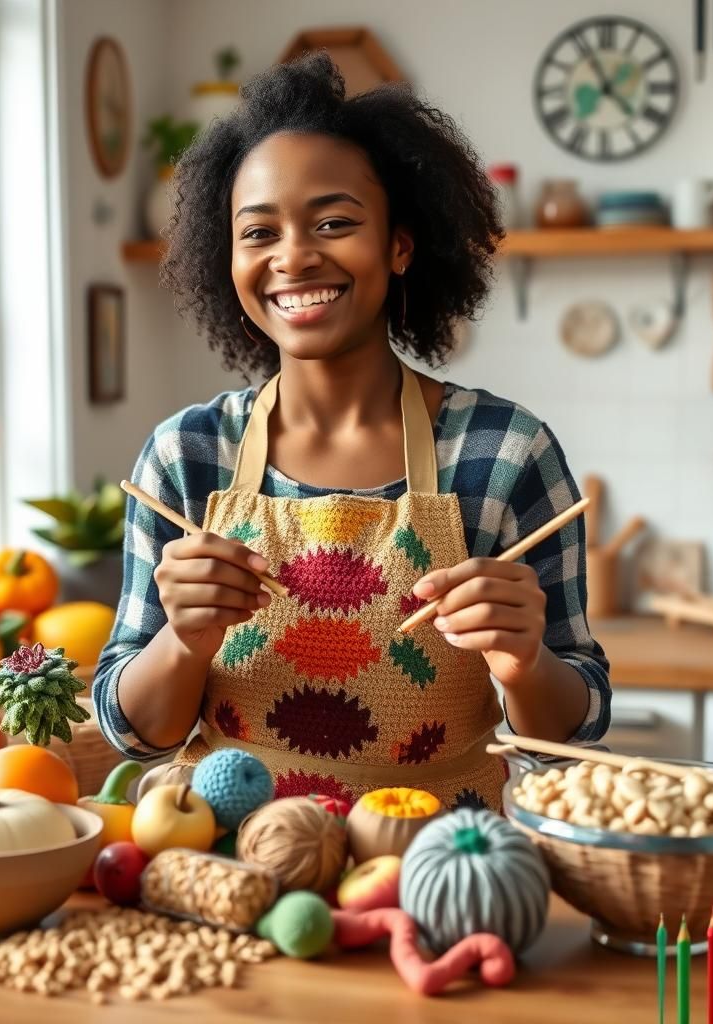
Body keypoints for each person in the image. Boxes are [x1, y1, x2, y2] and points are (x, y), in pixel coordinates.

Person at [93, 52, 610, 811]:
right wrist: (182, 641)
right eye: (258, 232)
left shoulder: (505, 452)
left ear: (400, 245)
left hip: (439, 872)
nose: (294, 256)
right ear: (226, 260)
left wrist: (525, 662)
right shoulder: (187, 456)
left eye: (334, 223)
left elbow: (575, 735)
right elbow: (134, 733)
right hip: (234, 871)